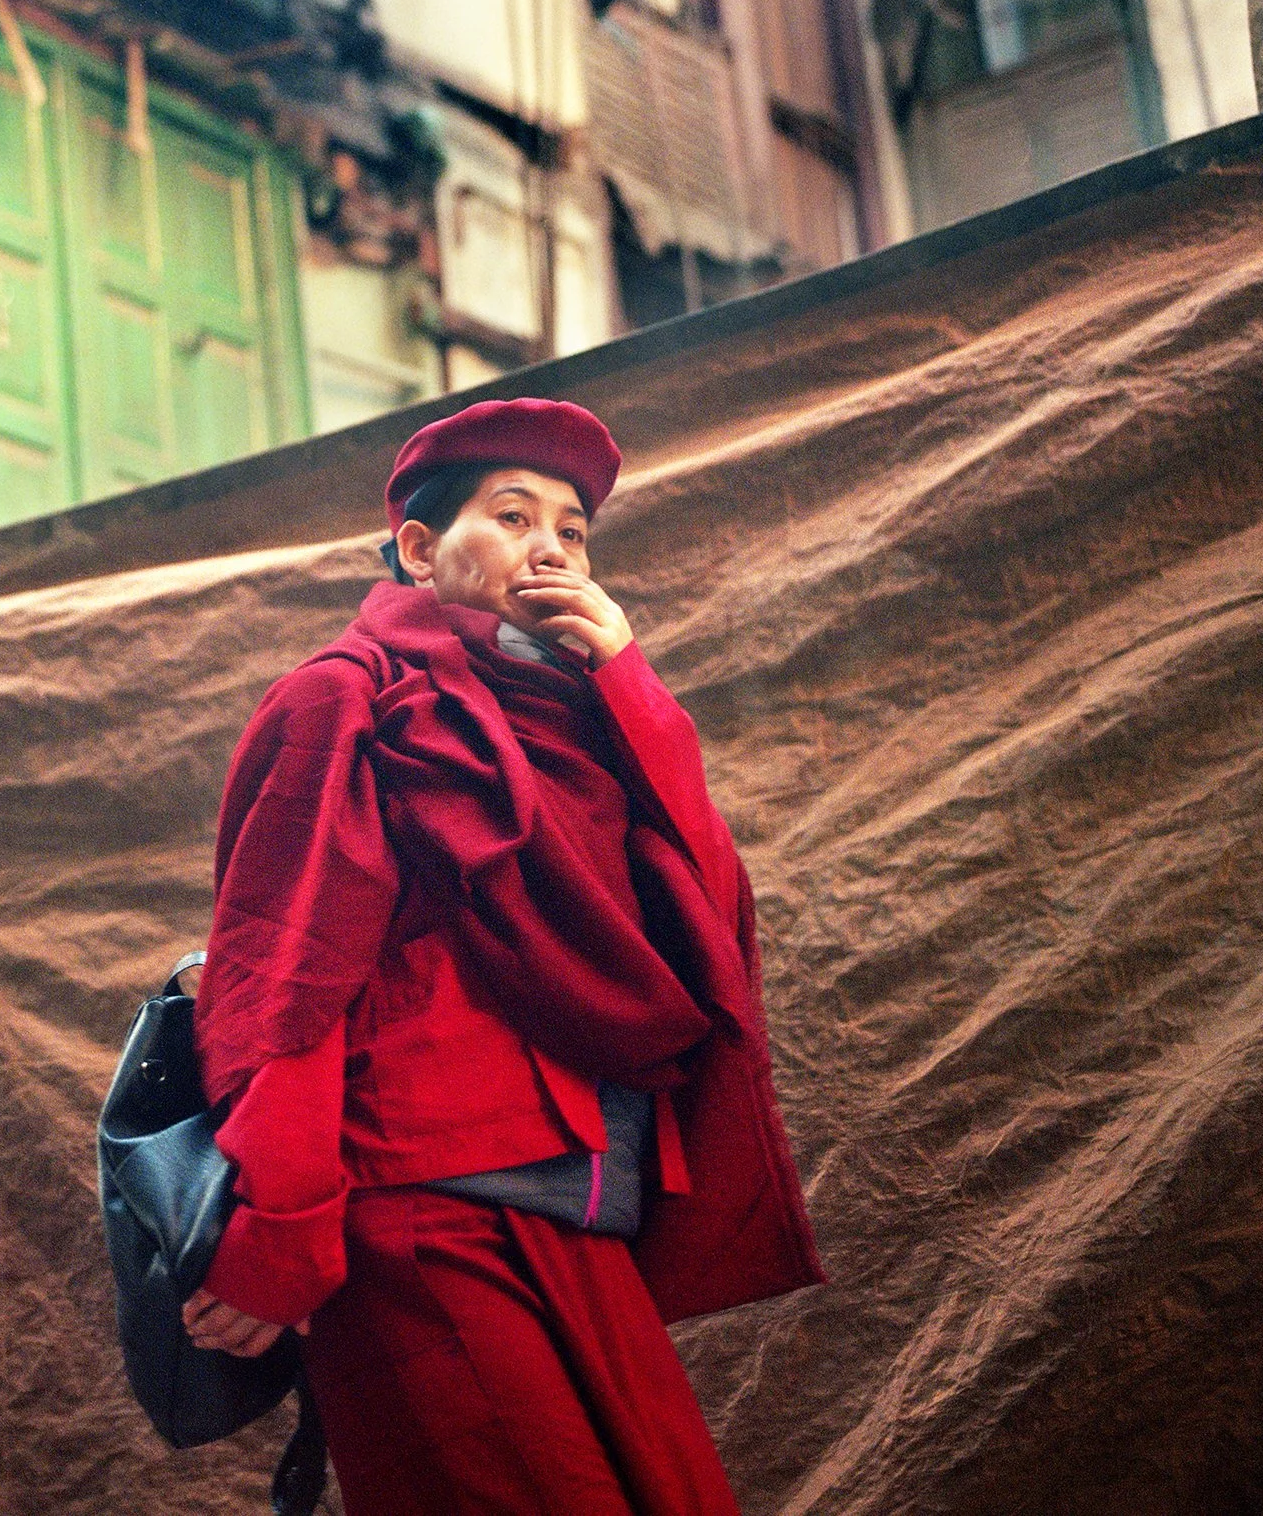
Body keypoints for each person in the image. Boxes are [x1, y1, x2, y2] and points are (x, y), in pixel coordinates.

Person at [187, 397, 821, 1515]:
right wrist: (282, 1231)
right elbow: (281, 980)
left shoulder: (581, 725)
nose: (548, 545)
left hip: (576, 1216)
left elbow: (708, 924)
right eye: (512, 513)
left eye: (571, 529)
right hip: (417, 1218)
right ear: (423, 551)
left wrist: (629, 678)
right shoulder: (346, 700)